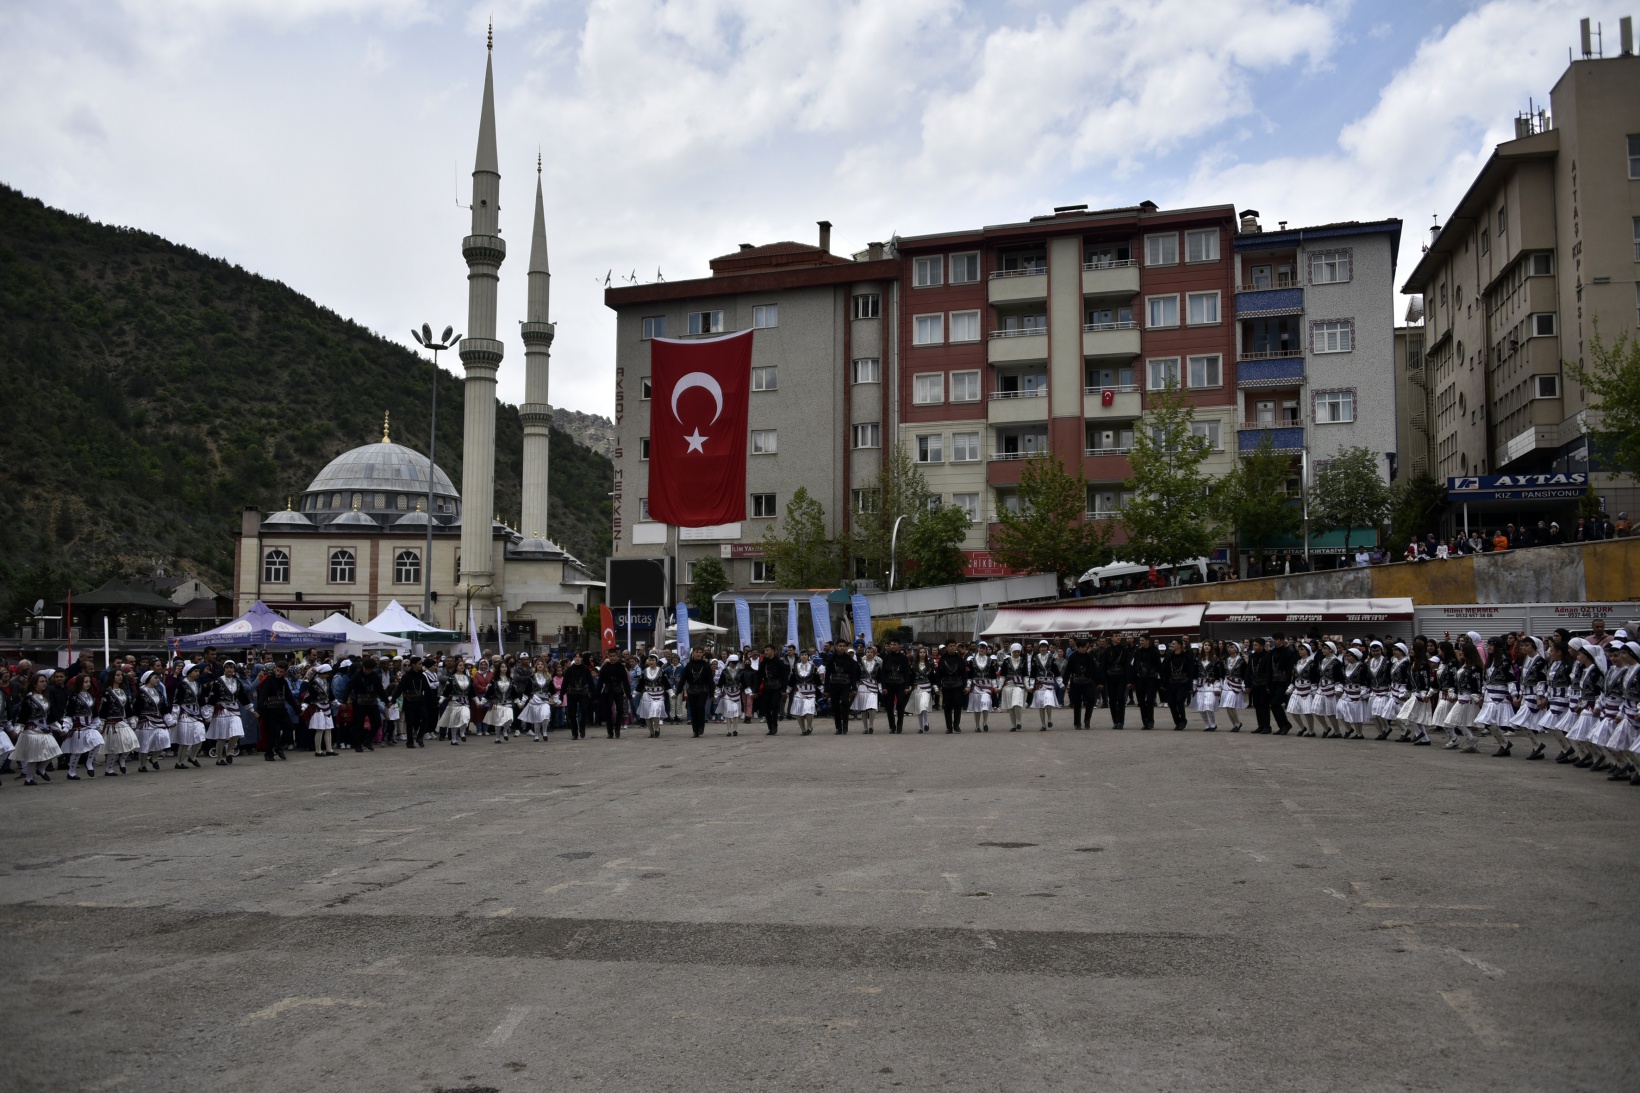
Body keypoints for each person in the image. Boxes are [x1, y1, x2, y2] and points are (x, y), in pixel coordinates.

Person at [13, 673, 62, 786]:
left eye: (45, 681)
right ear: (34, 684)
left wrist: (59, 728)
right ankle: (29, 778)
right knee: (33, 756)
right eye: (41, 681)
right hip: (32, 731)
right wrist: (17, 729)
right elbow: (22, 715)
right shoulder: (29, 699)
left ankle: (41, 769)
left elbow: (50, 716)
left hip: (44, 729)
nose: (44, 683)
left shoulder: (45, 698)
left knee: (54, 749)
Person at [62, 672, 105, 779]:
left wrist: (97, 724)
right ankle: (71, 772)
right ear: (79, 683)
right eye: (85, 682)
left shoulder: (91, 696)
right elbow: (68, 714)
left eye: (89, 682)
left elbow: (95, 713)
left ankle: (89, 762)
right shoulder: (73, 697)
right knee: (77, 751)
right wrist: (66, 727)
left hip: (90, 726)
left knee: (98, 742)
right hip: (78, 728)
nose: (88, 684)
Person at [133, 669, 172, 772]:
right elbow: (136, 708)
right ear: (148, 679)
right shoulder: (141, 692)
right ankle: (142, 765)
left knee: (165, 737)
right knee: (145, 742)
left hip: (158, 719)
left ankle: (154, 758)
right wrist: (134, 721)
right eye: (155, 678)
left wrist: (168, 719)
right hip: (145, 720)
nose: (157, 680)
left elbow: (163, 707)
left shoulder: (158, 691)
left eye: (158, 678)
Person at [253, 662, 288, 761]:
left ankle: (279, 747)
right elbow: (262, 696)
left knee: (289, 727)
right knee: (273, 732)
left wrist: (297, 709)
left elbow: (288, 695)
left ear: (285, 672)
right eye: (277, 670)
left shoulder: (283, 682)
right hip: (270, 710)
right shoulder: (269, 680)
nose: (278, 673)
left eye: (281, 672)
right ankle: (269, 753)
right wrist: (259, 710)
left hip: (281, 708)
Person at [303, 664, 338, 757]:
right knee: (320, 729)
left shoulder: (326, 682)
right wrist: (303, 706)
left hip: (327, 706)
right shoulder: (314, 683)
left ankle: (329, 749)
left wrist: (337, 703)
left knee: (328, 728)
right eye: (327, 674)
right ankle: (318, 750)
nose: (328, 676)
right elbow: (308, 696)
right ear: (322, 673)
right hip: (318, 707)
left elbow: (330, 694)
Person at [1162, 638, 1197, 730]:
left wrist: (1190, 686)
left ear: (1179, 645)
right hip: (1171, 683)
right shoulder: (1169, 656)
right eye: (1172, 644)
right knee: (1171, 703)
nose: (1172, 645)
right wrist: (1164, 684)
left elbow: (1190, 672)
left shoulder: (1186, 657)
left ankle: (1183, 720)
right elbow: (1164, 671)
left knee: (1179, 701)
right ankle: (1177, 721)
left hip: (1183, 683)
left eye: (1174, 644)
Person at [755, 644, 790, 735]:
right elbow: (758, 676)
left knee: (774, 706)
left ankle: (775, 725)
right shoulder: (763, 663)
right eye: (765, 650)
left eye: (767, 650)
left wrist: (784, 690)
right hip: (766, 687)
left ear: (774, 651)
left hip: (777, 687)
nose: (766, 652)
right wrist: (755, 690)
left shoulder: (779, 662)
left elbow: (784, 677)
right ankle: (770, 726)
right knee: (766, 708)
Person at [1064, 638, 1098, 730]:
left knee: (1090, 701)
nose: (1084, 649)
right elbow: (1067, 671)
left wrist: (1098, 682)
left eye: (1085, 647)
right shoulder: (1072, 657)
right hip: (1076, 682)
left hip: (1088, 682)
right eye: (1082, 647)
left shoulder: (1089, 657)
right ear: (1078, 647)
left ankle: (1087, 721)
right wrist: (1065, 683)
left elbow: (1095, 670)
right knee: (1077, 703)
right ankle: (1077, 723)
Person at [935, 642, 969, 734]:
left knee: (958, 705)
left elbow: (964, 674)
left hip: (958, 685)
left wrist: (965, 686)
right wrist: (938, 686)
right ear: (946, 647)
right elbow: (938, 674)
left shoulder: (960, 659)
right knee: (947, 706)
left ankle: (956, 724)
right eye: (950, 646)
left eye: (954, 646)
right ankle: (949, 726)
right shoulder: (942, 659)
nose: (952, 648)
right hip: (946, 685)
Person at [635, 654, 671, 737]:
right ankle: (651, 732)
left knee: (655, 711)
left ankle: (657, 729)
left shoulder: (661, 671)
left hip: (658, 694)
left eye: (653, 660)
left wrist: (671, 693)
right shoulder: (645, 671)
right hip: (647, 694)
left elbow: (666, 683)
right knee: (647, 714)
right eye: (650, 660)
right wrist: (634, 694)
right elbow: (640, 684)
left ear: (656, 661)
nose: (651, 662)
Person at [1102, 636, 1132, 730]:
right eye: (1115, 636)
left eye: (1119, 636)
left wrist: (1129, 680)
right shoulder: (1107, 650)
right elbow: (1103, 665)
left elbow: (1127, 665)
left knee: (1120, 698)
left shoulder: (1124, 650)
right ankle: (1115, 721)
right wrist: (1101, 680)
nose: (1118, 638)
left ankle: (1121, 721)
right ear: (1112, 639)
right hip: (1110, 677)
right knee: (1112, 700)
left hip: (1121, 677)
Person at [967, 642, 999, 732]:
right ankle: (977, 726)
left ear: (986, 650)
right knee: (977, 707)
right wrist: (968, 686)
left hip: (986, 686)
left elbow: (993, 675)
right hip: (975, 685)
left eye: (984, 648)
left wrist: (995, 686)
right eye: (980, 648)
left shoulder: (990, 661)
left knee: (985, 702)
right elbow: (970, 675)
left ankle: (985, 722)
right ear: (978, 648)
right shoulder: (972, 660)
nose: (981, 650)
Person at [998, 643, 1030, 732]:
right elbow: (1002, 676)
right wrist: (999, 687)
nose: (1016, 654)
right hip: (1008, 686)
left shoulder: (1023, 660)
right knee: (1010, 707)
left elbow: (1025, 675)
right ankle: (1013, 725)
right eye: (1015, 652)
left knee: (1017, 703)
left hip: (1019, 686)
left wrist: (1027, 686)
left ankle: (1019, 722)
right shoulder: (1006, 661)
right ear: (1012, 652)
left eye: (1018, 652)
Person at [1131, 635, 1160, 730]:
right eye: (1140, 640)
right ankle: (1145, 721)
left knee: (1150, 700)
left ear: (1148, 641)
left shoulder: (1154, 651)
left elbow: (1158, 665)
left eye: (1142, 640)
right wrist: (1133, 680)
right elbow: (1134, 665)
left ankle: (1151, 721)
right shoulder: (1138, 652)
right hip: (1140, 679)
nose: (1141, 642)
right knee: (1141, 702)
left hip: (1151, 679)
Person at [1028, 640, 1059, 730]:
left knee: (1048, 701)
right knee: (1041, 705)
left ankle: (1049, 719)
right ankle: (1043, 725)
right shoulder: (1035, 658)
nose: (1043, 648)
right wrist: (1031, 685)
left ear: (1047, 648)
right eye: (1041, 647)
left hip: (1049, 683)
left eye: (1045, 647)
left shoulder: (1051, 658)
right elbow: (1033, 673)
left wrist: (1061, 684)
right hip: (1039, 684)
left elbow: (1056, 671)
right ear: (1039, 648)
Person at [483, 665, 517, 742]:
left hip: (508, 702)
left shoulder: (511, 680)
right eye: (502, 667)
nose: (504, 668)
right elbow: (489, 692)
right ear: (499, 668)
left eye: (505, 667)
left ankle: (505, 731)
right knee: (498, 721)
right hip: (497, 703)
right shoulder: (494, 680)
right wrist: (483, 700)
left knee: (509, 718)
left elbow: (514, 692)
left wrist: (518, 701)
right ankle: (497, 737)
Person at [852, 645, 881, 734]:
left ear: (874, 654)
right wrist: (855, 687)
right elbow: (856, 676)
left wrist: (880, 688)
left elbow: (880, 677)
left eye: (871, 652)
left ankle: (871, 725)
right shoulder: (860, 664)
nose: (870, 654)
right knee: (864, 708)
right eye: (868, 652)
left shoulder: (877, 664)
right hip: (862, 687)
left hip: (873, 687)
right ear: (865, 653)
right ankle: (865, 727)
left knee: (872, 706)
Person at [1219, 641, 1247, 731]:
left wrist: (1244, 684)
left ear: (1237, 649)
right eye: (1228, 647)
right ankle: (1235, 724)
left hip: (1236, 684)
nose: (1229, 649)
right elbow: (1222, 673)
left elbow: (1245, 673)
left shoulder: (1242, 661)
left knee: (1230, 704)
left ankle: (1238, 722)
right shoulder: (1226, 660)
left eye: (1231, 647)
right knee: (1227, 706)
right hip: (1226, 683)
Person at [790, 654, 821, 735]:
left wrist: (823, 690)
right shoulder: (796, 667)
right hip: (799, 691)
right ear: (800, 656)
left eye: (805, 655)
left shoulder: (812, 667)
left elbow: (817, 679)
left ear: (808, 656)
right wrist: (787, 690)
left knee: (809, 710)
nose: (804, 656)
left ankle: (809, 727)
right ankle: (803, 730)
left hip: (810, 691)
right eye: (802, 655)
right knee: (799, 711)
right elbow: (792, 679)